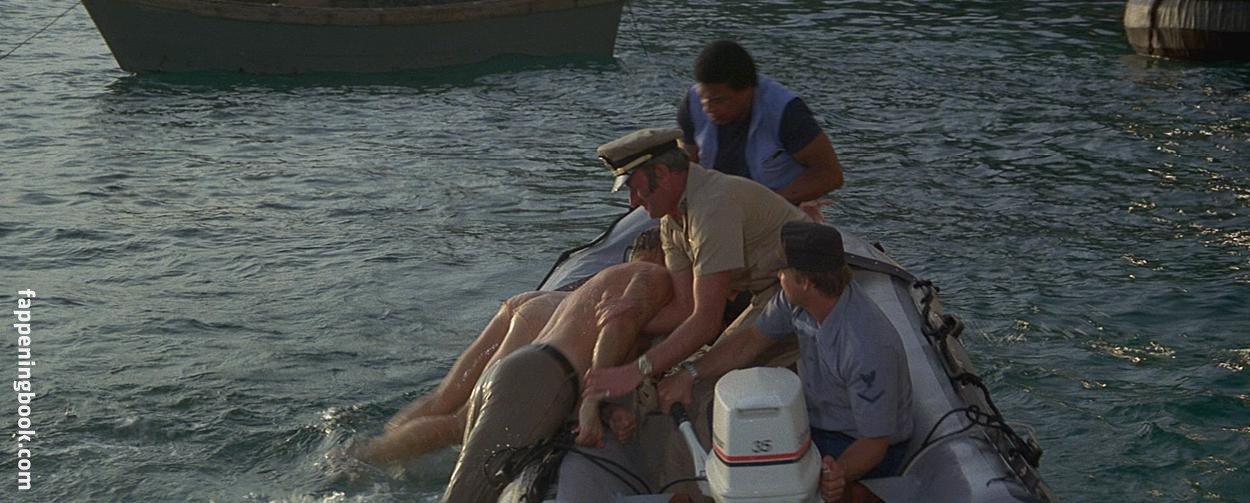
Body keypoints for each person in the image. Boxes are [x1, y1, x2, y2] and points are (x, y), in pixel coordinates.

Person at [350, 230, 663, 466]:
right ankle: (367, 457)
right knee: (463, 422)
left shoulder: (609, 276)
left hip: (531, 303)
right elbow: (601, 365)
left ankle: (375, 444)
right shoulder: (647, 290)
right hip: (541, 324)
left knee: (442, 398)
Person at [657, 222, 913, 503]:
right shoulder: (794, 302)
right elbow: (750, 340)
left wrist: (840, 473)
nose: (777, 276)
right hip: (810, 423)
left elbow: (875, 442)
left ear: (805, 282)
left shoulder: (866, 345)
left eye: (782, 271)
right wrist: (689, 373)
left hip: (858, 443)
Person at [583, 127, 810, 403]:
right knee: (694, 368)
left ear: (662, 173)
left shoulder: (712, 208)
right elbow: (685, 308)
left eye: (635, 187)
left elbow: (705, 321)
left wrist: (637, 370)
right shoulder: (671, 221)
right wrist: (632, 316)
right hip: (766, 294)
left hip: (804, 290)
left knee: (708, 386)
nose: (632, 202)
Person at [441, 260, 673, 503]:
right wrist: (591, 404)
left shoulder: (604, 282)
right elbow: (618, 324)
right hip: (535, 383)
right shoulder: (652, 275)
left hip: (518, 375)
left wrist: (605, 411)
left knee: (469, 485)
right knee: (467, 496)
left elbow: (581, 366)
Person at [678, 40, 844, 205]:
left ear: (748, 90)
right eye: (704, 99)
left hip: (781, 204)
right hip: (719, 200)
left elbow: (830, 175)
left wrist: (765, 206)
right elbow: (687, 169)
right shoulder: (691, 105)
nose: (708, 108)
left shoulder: (787, 113)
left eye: (719, 101)